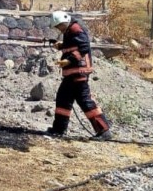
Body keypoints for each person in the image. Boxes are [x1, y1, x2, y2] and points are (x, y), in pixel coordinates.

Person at [45, 10, 112, 139]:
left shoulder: (75, 29)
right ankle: (58, 129)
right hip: (72, 73)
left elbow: (84, 47)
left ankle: (104, 131)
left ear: (65, 21)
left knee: (85, 101)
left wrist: (68, 60)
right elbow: (74, 45)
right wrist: (62, 46)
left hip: (79, 72)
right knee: (63, 99)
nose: (59, 29)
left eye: (59, 26)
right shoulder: (69, 31)